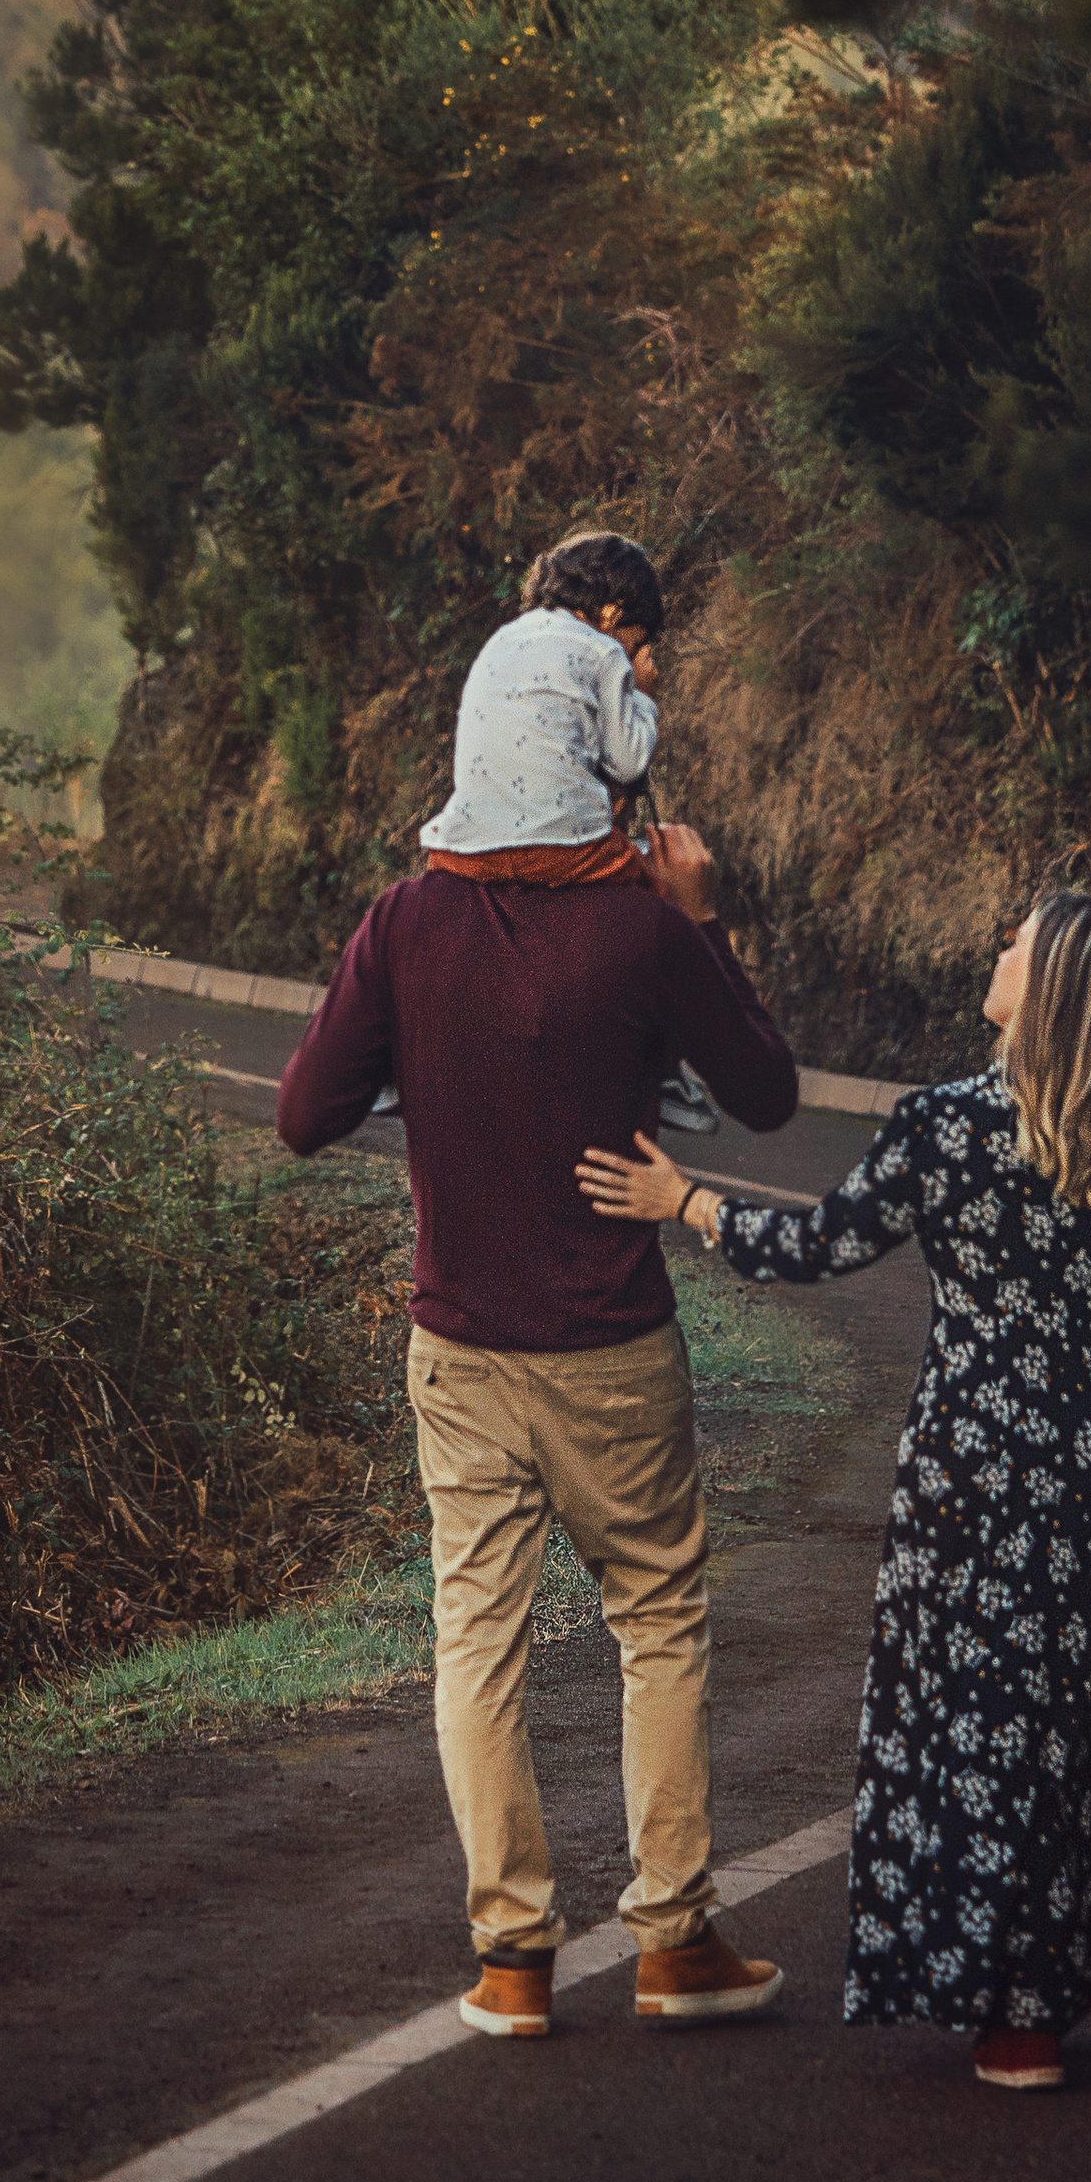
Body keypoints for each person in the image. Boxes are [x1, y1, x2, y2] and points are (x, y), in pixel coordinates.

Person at [577, 889, 1091, 2092]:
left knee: (968, 1726)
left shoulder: (947, 1128)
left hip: (969, 1484)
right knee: (1072, 1738)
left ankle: (975, 1976)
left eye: (1015, 943)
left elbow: (821, 1244)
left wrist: (690, 1202)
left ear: (1057, 990)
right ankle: (1030, 2013)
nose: (995, 948)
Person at [278, 648, 800, 2041]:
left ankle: (512, 1958)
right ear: (595, 759)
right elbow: (766, 1092)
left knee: (479, 1644)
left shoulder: (403, 922)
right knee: (658, 1623)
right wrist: (702, 923)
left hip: (458, 1350)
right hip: (609, 1349)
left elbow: (302, 1115)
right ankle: (671, 1940)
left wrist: (415, 1056)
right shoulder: (641, 932)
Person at [418, 531, 664, 881]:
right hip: (562, 846)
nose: (631, 655)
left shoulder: (503, 638)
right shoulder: (603, 651)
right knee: (652, 874)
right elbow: (628, 762)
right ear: (612, 613)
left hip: (465, 849)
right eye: (635, 642)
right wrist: (642, 694)